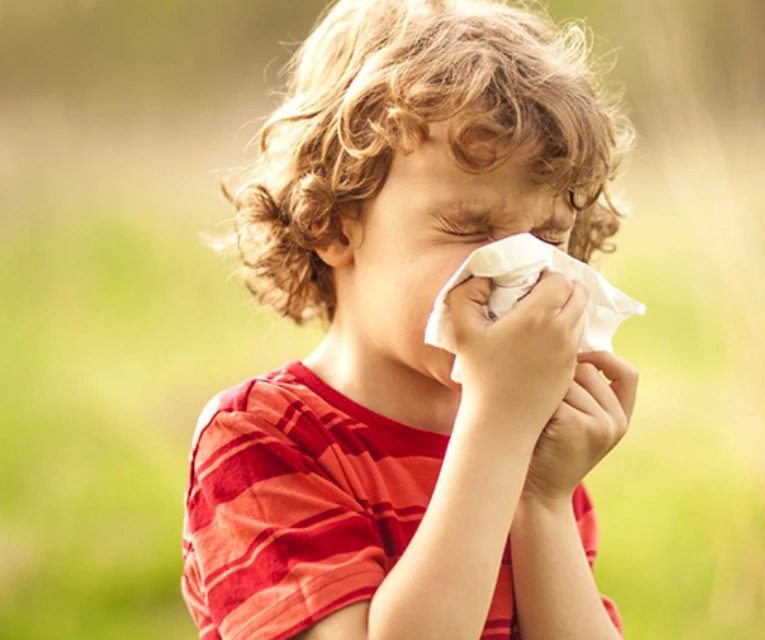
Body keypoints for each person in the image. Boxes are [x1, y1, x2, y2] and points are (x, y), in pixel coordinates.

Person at [180, 1, 638, 638]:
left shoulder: (530, 447)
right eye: (469, 228)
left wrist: (544, 501)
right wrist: (500, 425)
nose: (518, 269)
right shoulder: (261, 443)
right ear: (333, 223)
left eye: (550, 237)